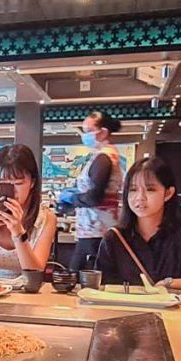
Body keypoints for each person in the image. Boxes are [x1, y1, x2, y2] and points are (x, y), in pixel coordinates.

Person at [96, 157, 181, 293]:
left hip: (177, 312)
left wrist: (168, 283)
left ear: (168, 193)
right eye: (133, 189)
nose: (140, 197)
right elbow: (101, 288)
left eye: (150, 189)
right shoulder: (114, 238)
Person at [0, 145, 57, 277]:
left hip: (27, 292)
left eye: (18, 183)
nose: (12, 191)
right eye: (2, 184)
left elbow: (35, 274)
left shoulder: (46, 218)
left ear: (32, 182)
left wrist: (19, 234)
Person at [57, 111, 125, 271]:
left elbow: (94, 197)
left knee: (79, 277)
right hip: (97, 229)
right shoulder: (109, 155)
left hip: (96, 230)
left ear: (103, 132)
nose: (85, 135)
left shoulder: (104, 158)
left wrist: (71, 197)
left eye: (88, 131)